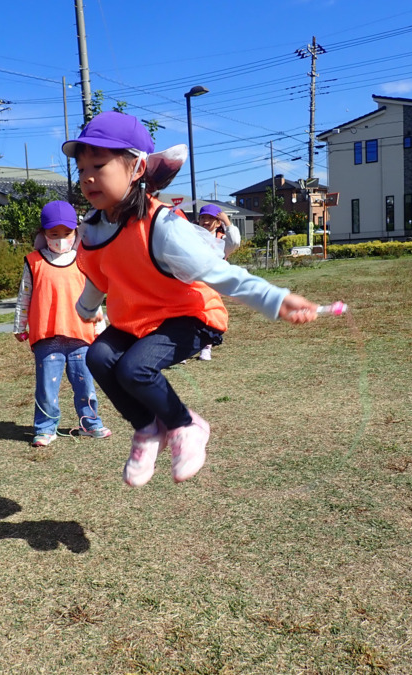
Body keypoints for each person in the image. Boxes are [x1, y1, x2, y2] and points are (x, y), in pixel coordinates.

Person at [62, 111, 318, 487]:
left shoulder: (163, 226)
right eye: (81, 167)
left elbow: (218, 273)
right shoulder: (93, 230)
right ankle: (148, 431)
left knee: (135, 369)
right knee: (98, 356)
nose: (86, 177)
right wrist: (85, 309)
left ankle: (186, 426)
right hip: (138, 321)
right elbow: (101, 277)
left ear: (136, 168)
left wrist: (275, 299)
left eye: (99, 165)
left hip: (190, 315)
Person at [13, 200, 111, 448]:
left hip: (81, 335)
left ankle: (91, 423)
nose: (60, 239)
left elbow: (93, 296)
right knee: (46, 388)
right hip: (47, 338)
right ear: (43, 233)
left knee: (85, 384)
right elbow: (25, 295)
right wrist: (19, 324)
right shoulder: (33, 262)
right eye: (53, 234)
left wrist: (101, 326)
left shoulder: (83, 260)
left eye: (66, 233)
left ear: (75, 232)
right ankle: (45, 429)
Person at [195, 204, 241, 361]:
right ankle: (184, 349)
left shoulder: (221, 240)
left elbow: (235, 242)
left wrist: (227, 222)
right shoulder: (193, 237)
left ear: (217, 222)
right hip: (192, 283)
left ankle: (206, 346)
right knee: (187, 316)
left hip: (212, 285)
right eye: (203, 218)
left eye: (210, 218)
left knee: (209, 316)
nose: (206, 222)